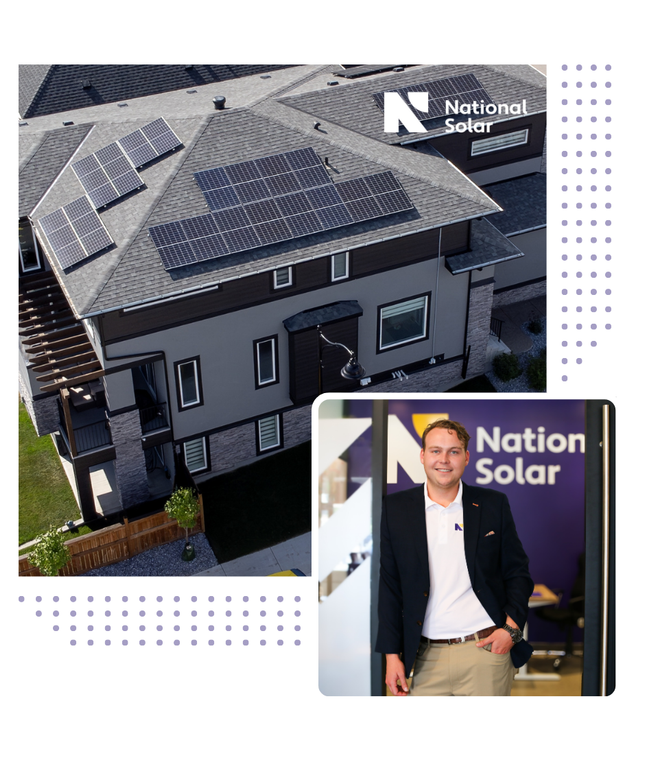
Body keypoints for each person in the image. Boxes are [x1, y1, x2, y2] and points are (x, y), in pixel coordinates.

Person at [375, 418, 534, 696]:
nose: (444, 460)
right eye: (436, 450)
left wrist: (510, 631)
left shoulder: (492, 504)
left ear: (466, 457)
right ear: (423, 456)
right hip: (424, 657)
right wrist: (391, 656)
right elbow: (390, 587)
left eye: (454, 451)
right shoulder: (396, 509)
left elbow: (517, 573)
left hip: (484, 652)